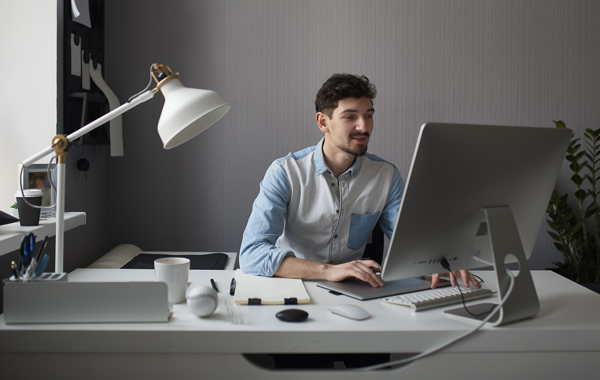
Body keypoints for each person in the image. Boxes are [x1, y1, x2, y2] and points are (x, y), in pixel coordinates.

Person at [239, 73, 479, 290]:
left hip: (354, 290)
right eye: (350, 117)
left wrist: (440, 259)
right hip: (295, 287)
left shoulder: (386, 176)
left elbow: (410, 245)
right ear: (323, 122)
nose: (363, 127)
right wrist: (330, 271)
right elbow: (252, 254)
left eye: (368, 116)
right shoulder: (285, 172)